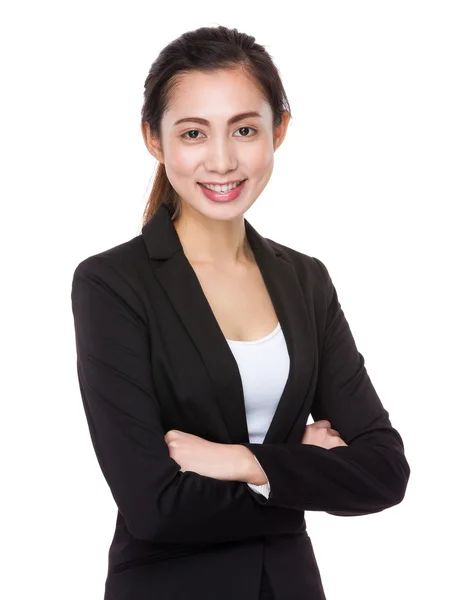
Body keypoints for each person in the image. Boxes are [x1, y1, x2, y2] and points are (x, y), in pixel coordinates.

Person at [71, 25, 410, 600]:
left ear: (279, 130)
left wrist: (240, 462)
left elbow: (384, 473)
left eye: (245, 129)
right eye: (194, 133)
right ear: (155, 140)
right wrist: (298, 474)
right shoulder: (113, 284)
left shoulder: (305, 280)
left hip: (289, 585)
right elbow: (153, 507)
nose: (223, 160)